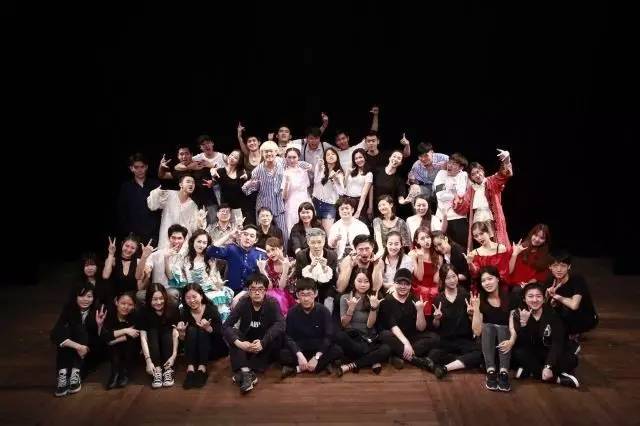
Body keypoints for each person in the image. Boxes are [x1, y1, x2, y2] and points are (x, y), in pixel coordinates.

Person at [223, 273, 286, 394]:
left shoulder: (272, 303)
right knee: (234, 334)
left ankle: (244, 371)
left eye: (260, 289)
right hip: (247, 343)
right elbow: (226, 326)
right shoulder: (243, 302)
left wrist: (263, 342)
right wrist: (240, 343)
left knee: (277, 335)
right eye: (253, 289)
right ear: (248, 290)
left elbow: (281, 324)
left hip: (264, 344)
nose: (257, 293)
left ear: (265, 290)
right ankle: (247, 372)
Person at [513, 282, 580, 388]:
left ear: (544, 299)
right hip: (533, 353)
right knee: (519, 353)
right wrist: (524, 324)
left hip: (549, 352)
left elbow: (557, 343)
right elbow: (523, 344)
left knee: (572, 359)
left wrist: (548, 366)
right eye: (530, 296)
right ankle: (557, 379)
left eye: (538, 296)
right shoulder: (519, 314)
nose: (535, 300)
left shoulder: (552, 314)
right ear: (524, 299)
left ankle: (531, 371)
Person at [424, 264, 482, 379]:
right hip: (446, 341)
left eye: (454, 276)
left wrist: (472, 314)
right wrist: (436, 319)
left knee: (480, 354)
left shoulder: (466, 295)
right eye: (448, 278)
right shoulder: (438, 299)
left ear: (457, 276)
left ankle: (446, 368)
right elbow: (435, 326)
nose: (452, 280)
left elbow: (475, 326)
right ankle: (460, 361)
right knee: (433, 355)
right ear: (443, 280)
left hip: (464, 340)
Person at [280, 278, 344, 378]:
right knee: (282, 354)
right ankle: (321, 365)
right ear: (297, 295)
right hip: (300, 346)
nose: (306, 299)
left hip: (318, 346)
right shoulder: (292, 312)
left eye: (309, 294)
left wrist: (317, 357)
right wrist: (299, 354)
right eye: (302, 294)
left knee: (337, 350)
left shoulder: (323, 311)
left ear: (315, 294)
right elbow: (288, 337)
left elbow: (328, 336)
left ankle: (297, 369)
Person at [378, 268, 440, 370]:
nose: (403, 287)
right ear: (394, 284)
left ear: (410, 285)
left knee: (435, 338)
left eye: (406, 284)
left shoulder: (414, 298)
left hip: (412, 337)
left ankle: (398, 355)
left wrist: (420, 311)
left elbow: (421, 328)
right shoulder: (387, 300)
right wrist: (406, 343)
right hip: (396, 337)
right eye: (400, 283)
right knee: (385, 335)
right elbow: (393, 327)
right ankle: (416, 360)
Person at [50, 283, 105, 397]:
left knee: (79, 331)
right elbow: (55, 333)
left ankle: (73, 372)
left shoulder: (98, 310)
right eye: (81, 296)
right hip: (78, 348)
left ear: (94, 298)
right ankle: (64, 374)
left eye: (89, 296)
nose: (85, 299)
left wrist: (99, 326)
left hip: (91, 349)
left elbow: (102, 339)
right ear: (75, 297)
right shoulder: (69, 309)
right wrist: (78, 347)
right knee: (65, 333)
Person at [470, 266, 517, 392]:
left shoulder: (510, 297)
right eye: (483, 280)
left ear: (497, 279)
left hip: (507, 344)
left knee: (503, 328)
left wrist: (512, 340)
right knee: (488, 327)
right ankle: (490, 371)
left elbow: (512, 326)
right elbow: (477, 331)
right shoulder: (481, 300)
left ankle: (503, 372)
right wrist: (476, 309)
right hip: (487, 345)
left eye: (490, 279)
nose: (487, 283)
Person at [335, 269, 391, 375]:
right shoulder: (345, 298)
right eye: (359, 281)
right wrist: (351, 308)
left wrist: (373, 307)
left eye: (366, 281)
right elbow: (344, 324)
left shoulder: (374, 298)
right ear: (354, 281)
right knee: (339, 336)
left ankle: (352, 365)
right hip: (353, 338)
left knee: (386, 349)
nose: (363, 284)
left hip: (368, 338)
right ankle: (372, 359)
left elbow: (370, 325)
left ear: (370, 283)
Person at [455, 149, 512, 251]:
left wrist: (507, 160)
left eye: (478, 172)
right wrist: (457, 198)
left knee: (496, 243)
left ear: (482, 170)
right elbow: (463, 207)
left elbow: (503, 175)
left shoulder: (491, 181)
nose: (477, 175)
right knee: (482, 246)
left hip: (491, 218)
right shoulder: (471, 189)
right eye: (473, 174)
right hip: (478, 221)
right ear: (471, 177)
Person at [175, 283, 228, 389]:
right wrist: (181, 334)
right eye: (188, 298)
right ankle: (190, 369)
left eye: (194, 296)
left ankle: (202, 369)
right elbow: (182, 342)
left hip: (211, 349)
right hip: (193, 351)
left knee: (202, 330)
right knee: (191, 329)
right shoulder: (183, 312)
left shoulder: (211, 309)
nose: (192, 300)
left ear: (201, 296)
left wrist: (209, 328)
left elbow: (220, 333)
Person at [545, 250, 598, 346]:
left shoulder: (577, 279)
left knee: (566, 308)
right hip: (563, 318)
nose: (559, 269)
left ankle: (573, 334)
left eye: (563, 266)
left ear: (569, 267)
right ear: (550, 267)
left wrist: (556, 296)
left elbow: (574, 305)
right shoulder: (550, 281)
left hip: (585, 318)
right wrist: (548, 297)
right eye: (555, 266)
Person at [138, 284, 180, 389]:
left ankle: (168, 369)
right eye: (154, 299)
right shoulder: (143, 312)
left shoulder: (172, 309)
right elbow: (143, 337)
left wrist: (174, 356)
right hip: (153, 344)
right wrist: (148, 361)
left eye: (161, 298)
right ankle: (157, 369)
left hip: (168, 343)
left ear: (165, 297)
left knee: (167, 331)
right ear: (149, 299)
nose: (159, 302)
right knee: (152, 331)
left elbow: (175, 334)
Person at [147, 174, 204, 250]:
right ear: (180, 184)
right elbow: (152, 205)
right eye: (188, 181)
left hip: (183, 242)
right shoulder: (169, 195)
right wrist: (156, 193)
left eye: (193, 182)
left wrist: (200, 222)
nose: (191, 184)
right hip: (166, 238)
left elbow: (193, 228)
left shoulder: (193, 205)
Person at [206, 224, 267, 294]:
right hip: (230, 292)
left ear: (256, 240)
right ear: (240, 236)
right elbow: (210, 251)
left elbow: (264, 281)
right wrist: (229, 235)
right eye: (245, 234)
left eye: (251, 236)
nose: (247, 238)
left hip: (250, 294)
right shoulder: (231, 249)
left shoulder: (260, 254)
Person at [135, 224, 187, 304]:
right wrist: (144, 257)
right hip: (157, 291)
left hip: (175, 291)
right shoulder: (156, 254)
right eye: (173, 238)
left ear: (184, 239)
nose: (176, 241)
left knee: (172, 293)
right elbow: (139, 276)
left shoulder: (186, 256)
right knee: (139, 295)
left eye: (179, 238)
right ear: (169, 238)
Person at [116, 153, 160, 243]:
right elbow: (122, 210)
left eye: (142, 167)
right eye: (136, 167)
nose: (140, 170)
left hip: (154, 232)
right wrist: (128, 231)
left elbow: (161, 208)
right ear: (131, 168)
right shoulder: (126, 187)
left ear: (146, 167)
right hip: (134, 234)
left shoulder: (155, 185)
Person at [102, 292, 139, 390]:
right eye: (123, 303)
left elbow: (135, 335)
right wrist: (125, 330)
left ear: (134, 306)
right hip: (112, 349)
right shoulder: (109, 313)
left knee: (126, 343)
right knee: (115, 347)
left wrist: (115, 340)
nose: (126, 307)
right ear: (116, 302)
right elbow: (105, 336)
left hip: (131, 347)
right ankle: (115, 373)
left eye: (130, 304)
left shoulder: (135, 315)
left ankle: (124, 372)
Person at [293, 228, 338, 309]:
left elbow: (333, 280)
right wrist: (311, 268)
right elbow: (299, 277)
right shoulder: (301, 256)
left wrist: (325, 269)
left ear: (324, 242)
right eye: (313, 242)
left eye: (319, 242)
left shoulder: (332, 255)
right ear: (308, 242)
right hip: (307, 288)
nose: (316, 246)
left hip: (326, 288)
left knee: (329, 298)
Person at [207, 149, 254, 225]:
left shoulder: (241, 172)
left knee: (239, 227)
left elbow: (250, 175)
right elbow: (215, 182)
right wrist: (212, 173)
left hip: (239, 207)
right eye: (231, 155)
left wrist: (247, 176)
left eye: (235, 157)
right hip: (225, 207)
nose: (232, 158)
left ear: (239, 161)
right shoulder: (220, 171)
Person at [432, 153, 469, 248]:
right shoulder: (441, 174)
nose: (450, 165)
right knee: (444, 248)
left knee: (462, 247)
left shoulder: (463, 175)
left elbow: (462, 194)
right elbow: (440, 195)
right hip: (443, 217)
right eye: (449, 162)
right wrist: (455, 196)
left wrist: (454, 194)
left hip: (459, 216)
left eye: (454, 164)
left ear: (461, 167)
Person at [467, 221, 512, 290]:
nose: (479, 238)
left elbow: (505, 272)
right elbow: (476, 274)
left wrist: (493, 283)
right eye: (476, 236)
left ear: (487, 232)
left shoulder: (501, 248)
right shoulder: (475, 253)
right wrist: (470, 263)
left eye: (481, 233)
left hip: (500, 285)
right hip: (484, 286)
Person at [257, 237, 296, 315]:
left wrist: (285, 269)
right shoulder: (267, 264)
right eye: (268, 251)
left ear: (281, 248)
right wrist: (262, 270)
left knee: (277, 298)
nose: (271, 253)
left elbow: (281, 288)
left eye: (273, 249)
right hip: (272, 295)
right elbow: (269, 287)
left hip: (289, 295)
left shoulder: (292, 262)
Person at [311, 148, 346, 233]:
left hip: (329, 205)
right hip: (315, 202)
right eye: (328, 154)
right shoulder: (320, 166)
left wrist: (335, 179)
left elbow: (341, 192)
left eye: (333, 154)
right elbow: (316, 181)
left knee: (328, 232)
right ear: (325, 157)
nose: (331, 156)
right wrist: (320, 169)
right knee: (315, 232)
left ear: (337, 157)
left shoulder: (339, 173)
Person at [102, 235, 142, 303]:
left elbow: (139, 287)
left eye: (132, 248)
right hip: (114, 299)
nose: (129, 250)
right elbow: (105, 276)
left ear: (136, 250)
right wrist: (111, 254)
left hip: (131, 300)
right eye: (127, 246)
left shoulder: (138, 262)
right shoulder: (112, 260)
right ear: (122, 244)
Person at [409, 228, 439, 315]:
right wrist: (420, 259)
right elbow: (419, 277)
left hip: (433, 290)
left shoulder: (437, 255)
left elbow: (436, 280)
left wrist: (438, 266)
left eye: (428, 237)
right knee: (423, 292)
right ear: (417, 241)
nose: (426, 240)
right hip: (418, 289)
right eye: (422, 238)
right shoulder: (412, 254)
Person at [282, 147, 312, 236]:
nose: (291, 160)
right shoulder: (284, 172)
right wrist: (287, 182)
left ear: (298, 157)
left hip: (305, 200)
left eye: (294, 157)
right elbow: (284, 196)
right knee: (292, 228)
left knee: (308, 226)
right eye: (289, 157)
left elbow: (307, 186)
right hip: (291, 204)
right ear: (286, 158)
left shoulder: (303, 170)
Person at [344, 148, 373, 221]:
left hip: (358, 201)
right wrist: (347, 173)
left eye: (360, 157)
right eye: (356, 158)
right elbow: (343, 186)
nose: (358, 160)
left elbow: (364, 194)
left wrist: (358, 211)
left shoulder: (369, 174)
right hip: (346, 200)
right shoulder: (351, 171)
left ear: (365, 157)